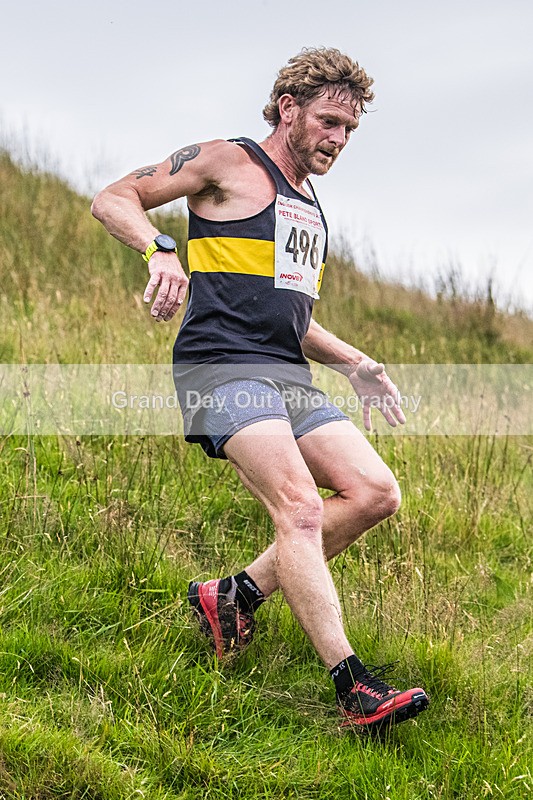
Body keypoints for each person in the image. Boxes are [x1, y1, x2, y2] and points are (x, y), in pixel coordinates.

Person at [91, 47, 429, 731]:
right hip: (222, 364)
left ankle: (232, 594)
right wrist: (160, 249)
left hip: (283, 368)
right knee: (299, 509)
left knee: (374, 493)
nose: (336, 140)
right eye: (328, 122)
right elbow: (113, 197)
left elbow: (289, 315)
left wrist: (354, 361)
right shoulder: (226, 161)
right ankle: (353, 687)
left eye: (348, 130)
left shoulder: (307, 204)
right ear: (287, 109)